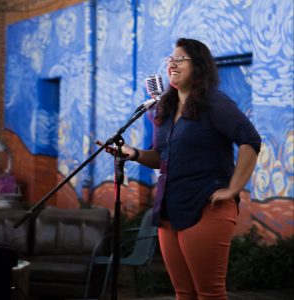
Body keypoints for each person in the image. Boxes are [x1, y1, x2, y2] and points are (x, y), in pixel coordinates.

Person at [97, 38, 261, 300]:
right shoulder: (164, 110)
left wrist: (233, 189)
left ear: (199, 65)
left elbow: (250, 141)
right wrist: (134, 154)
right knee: (183, 293)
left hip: (206, 206)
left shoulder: (214, 103)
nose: (171, 63)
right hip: (169, 208)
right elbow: (161, 157)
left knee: (209, 294)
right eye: (169, 59)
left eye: (179, 59)